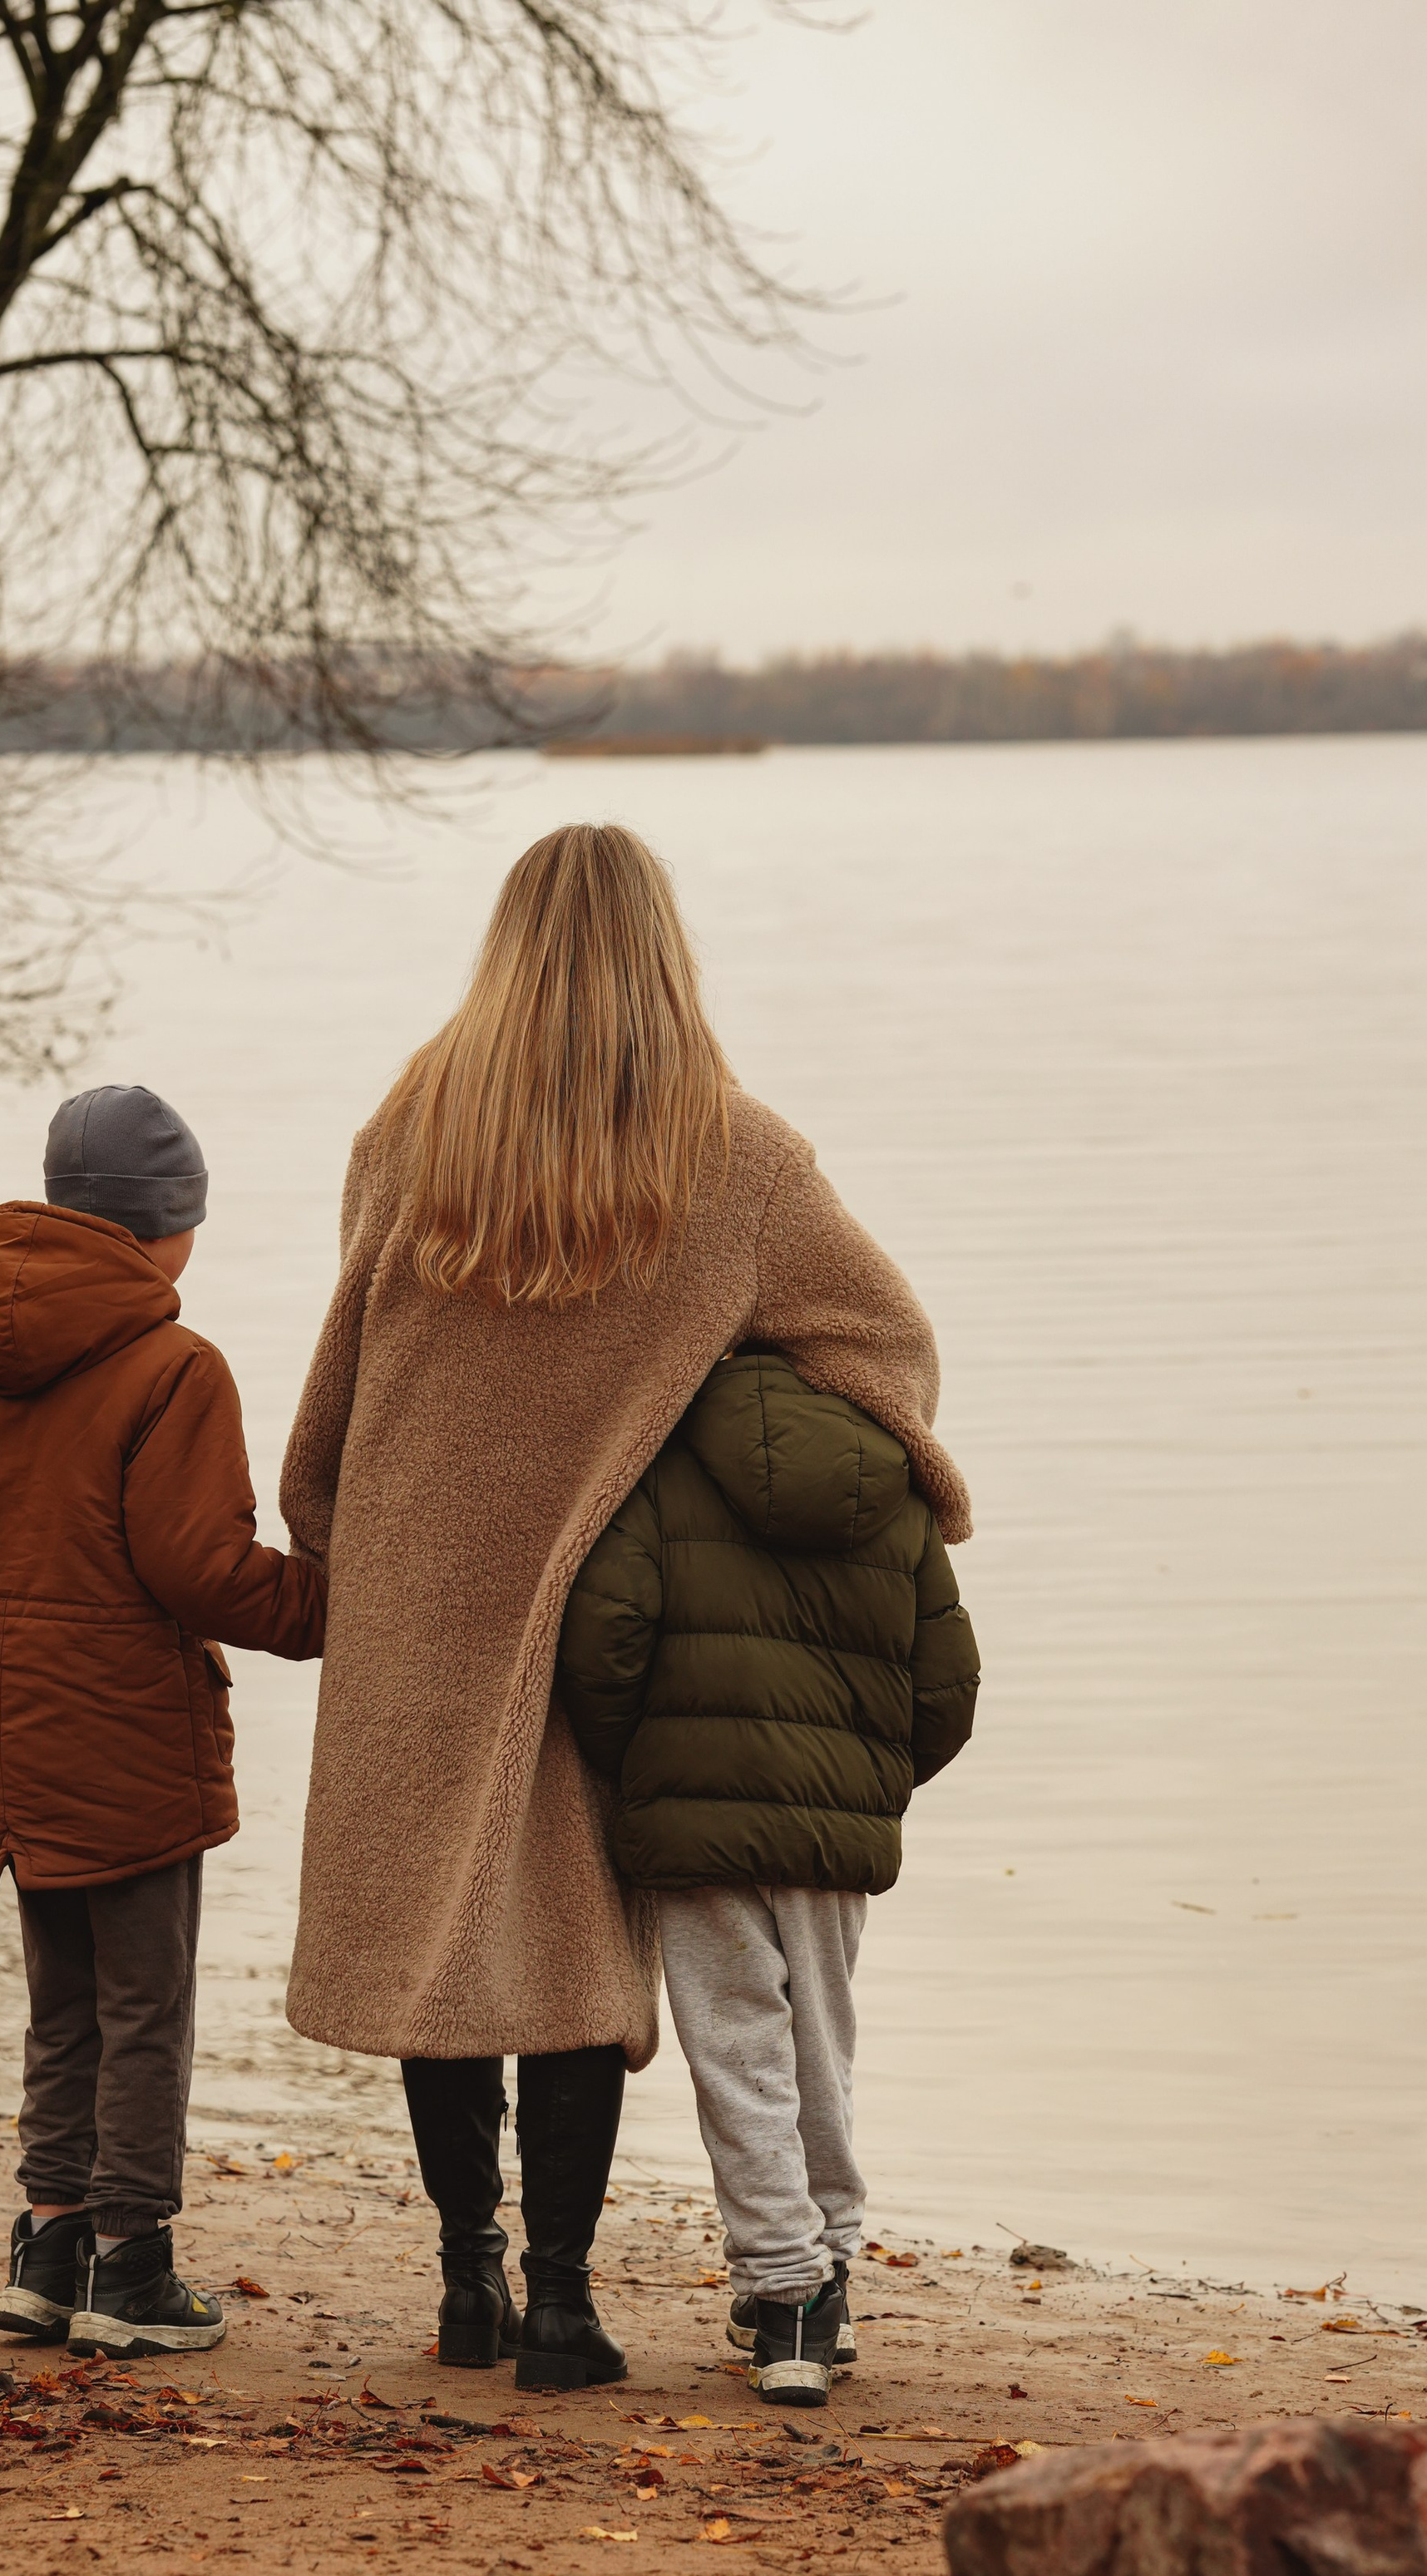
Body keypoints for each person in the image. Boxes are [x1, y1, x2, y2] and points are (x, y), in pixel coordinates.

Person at [280, 824, 970, 2395]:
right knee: (577, 1954)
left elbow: (348, 1350)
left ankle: (468, 2289)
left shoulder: (409, 1128)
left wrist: (328, 1527)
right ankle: (565, 2307)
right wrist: (713, 1414)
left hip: (413, 1578)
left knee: (443, 1953)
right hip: (593, 1593)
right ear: (666, 953)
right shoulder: (736, 1158)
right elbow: (888, 1355)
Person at [0, 1083, 325, 2357]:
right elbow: (200, 1567)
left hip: (7, 1722)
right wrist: (332, 1609)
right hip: (126, 1726)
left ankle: (46, 2245)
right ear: (167, 1226)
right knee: (146, 2005)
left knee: (65, 2002)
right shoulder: (174, 1366)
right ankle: (131, 2267)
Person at [555, 1348, 980, 2406]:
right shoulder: (897, 1484)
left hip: (696, 1812)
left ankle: (786, 2291)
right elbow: (948, 1686)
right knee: (820, 2045)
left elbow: (605, 1644)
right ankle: (825, 2270)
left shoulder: (660, 1464)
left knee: (738, 2054)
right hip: (835, 1829)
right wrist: (870, 1781)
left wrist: (644, 1766)